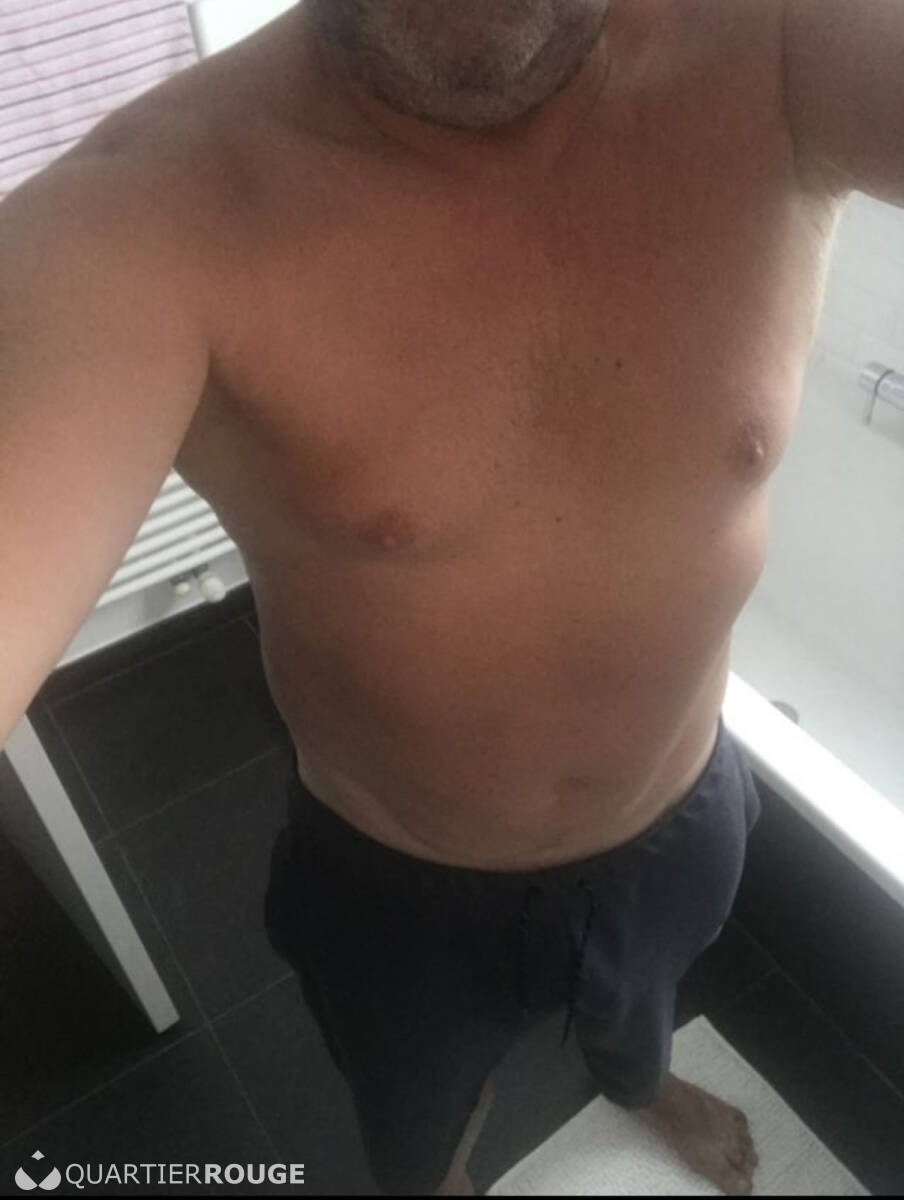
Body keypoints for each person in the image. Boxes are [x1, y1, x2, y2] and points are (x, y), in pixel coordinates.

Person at [2, 1, 902, 1195]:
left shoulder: (788, 49)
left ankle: (640, 1084)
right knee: (419, 1130)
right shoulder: (139, 216)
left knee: (640, 1017)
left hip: (677, 818)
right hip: (398, 888)